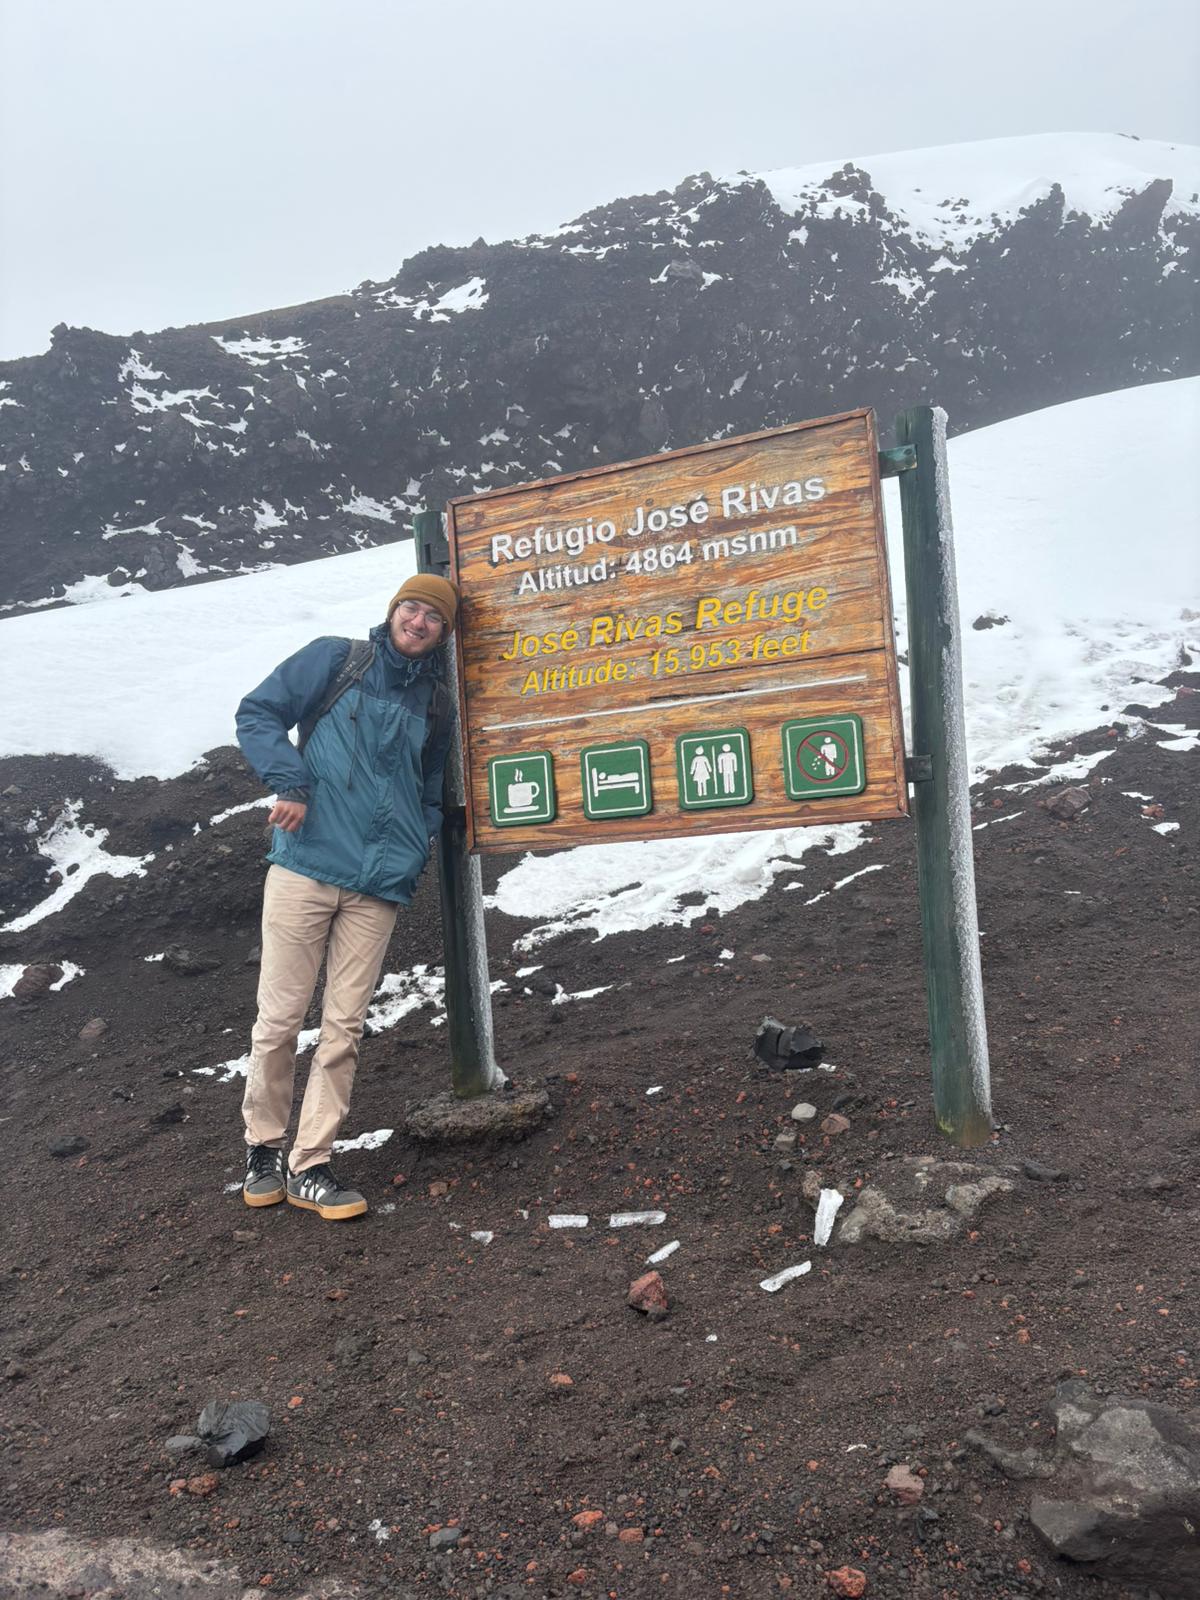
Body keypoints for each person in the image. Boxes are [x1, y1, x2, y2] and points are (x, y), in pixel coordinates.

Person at [234, 573, 458, 1221]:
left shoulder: (437, 700)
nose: (417, 622)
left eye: (432, 618)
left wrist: (415, 848)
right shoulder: (337, 659)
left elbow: (428, 790)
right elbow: (258, 712)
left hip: (376, 888)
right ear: (394, 611)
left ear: (443, 633)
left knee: (344, 1030)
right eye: (411, 609)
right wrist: (290, 782)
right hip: (304, 867)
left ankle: (311, 1164)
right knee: (279, 1022)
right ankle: (262, 1149)